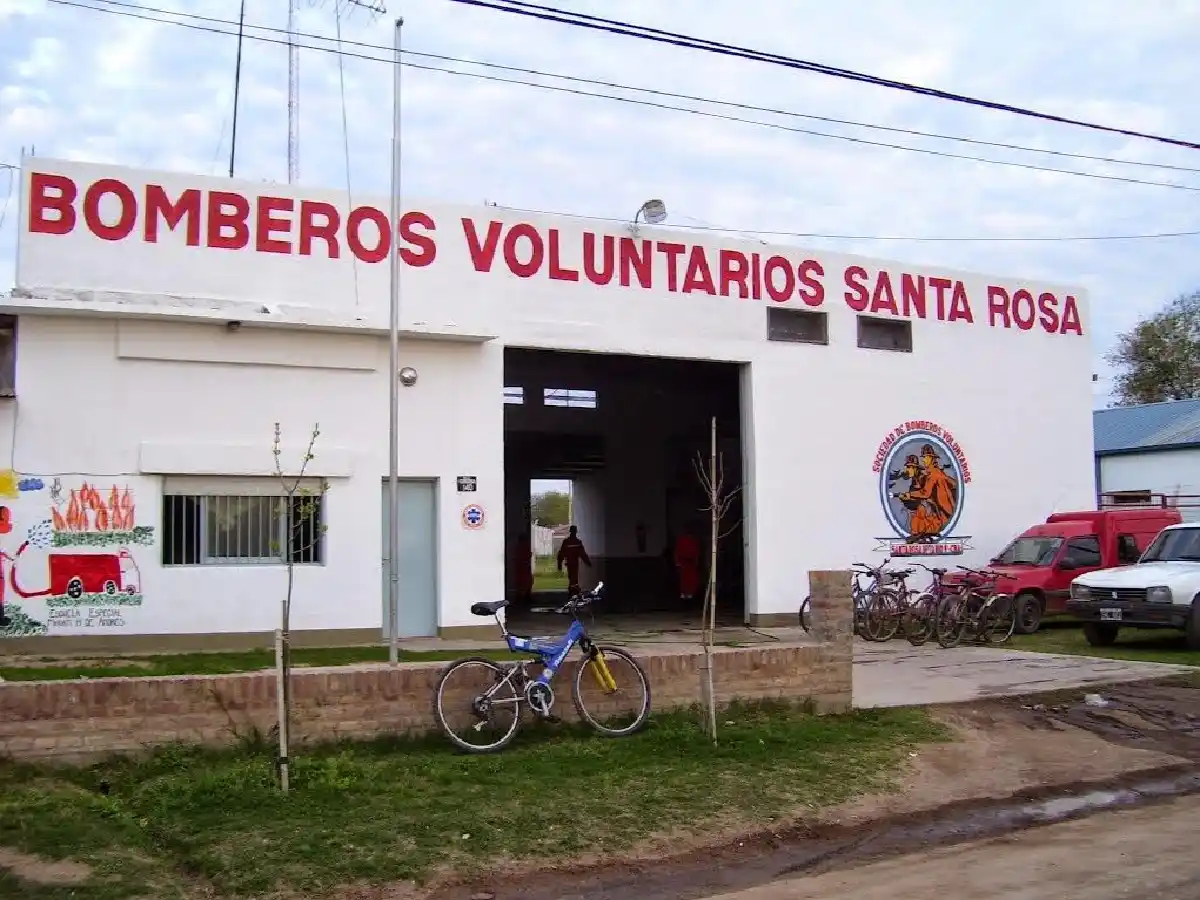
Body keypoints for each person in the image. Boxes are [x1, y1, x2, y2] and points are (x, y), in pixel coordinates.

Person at [556, 525, 592, 596]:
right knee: (574, 577)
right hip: (575, 562)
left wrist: (559, 563)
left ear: (570, 531)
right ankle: (574, 590)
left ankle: (572, 590)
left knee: (571, 577)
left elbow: (561, 553)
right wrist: (588, 562)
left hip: (569, 562)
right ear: (576, 532)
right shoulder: (578, 542)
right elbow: (583, 554)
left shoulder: (566, 542)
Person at [512, 530, 533, 605]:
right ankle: (525, 596)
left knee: (521, 583)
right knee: (526, 582)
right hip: (524, 567)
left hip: (520, 567)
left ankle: (521, 597)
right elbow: (528, 555)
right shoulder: (524, 546)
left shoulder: (518, 547)